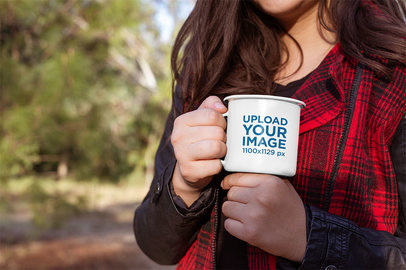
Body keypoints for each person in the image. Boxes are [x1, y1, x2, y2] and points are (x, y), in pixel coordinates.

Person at [134, 0, 406, 269]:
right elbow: (156, 247)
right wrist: (184, 185)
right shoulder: (209, 65)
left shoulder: (394, 72)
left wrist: (310, 238)